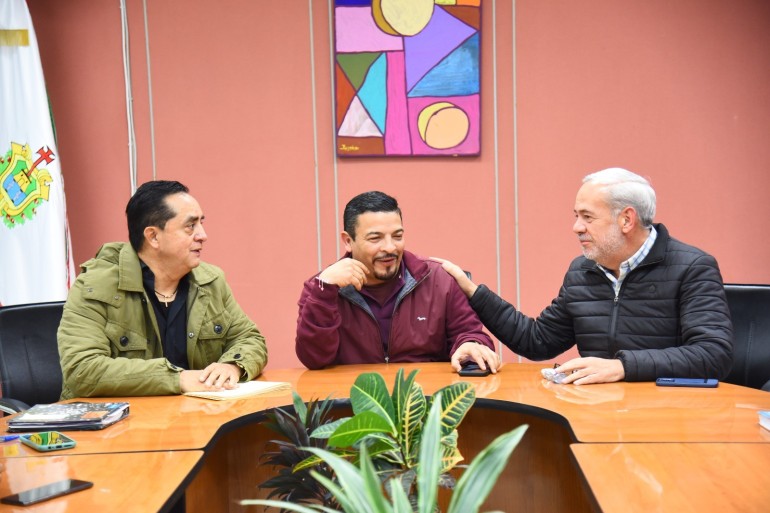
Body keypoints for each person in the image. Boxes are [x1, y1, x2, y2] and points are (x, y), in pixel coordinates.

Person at [434, 168, 733, 384]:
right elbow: (536, 341)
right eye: (576, 216)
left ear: (626, 219)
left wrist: (622, 367)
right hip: (597, 413)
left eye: (587, 217)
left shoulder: (693, 267)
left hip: (669, 417)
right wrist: (473, 292)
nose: (576, 227)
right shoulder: (582, 271)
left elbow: (713, 354)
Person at [58, 180, 268, 399]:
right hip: (120, 419)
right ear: (153, 236)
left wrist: (232, 366)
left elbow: (250, 339)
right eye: (190, 226)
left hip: (193, 414)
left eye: (201, 223)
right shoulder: (95, 286)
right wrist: (177, 379)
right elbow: (82, 370)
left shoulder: (210, 281)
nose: (203, 235)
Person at [295, 191, 500, 373]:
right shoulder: (320, 287)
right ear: (348, 241)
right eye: (375, 238)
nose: (390, 247)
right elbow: (314, 359)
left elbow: (470, 334)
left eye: (397, 236)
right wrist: (324, 291)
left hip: (427, 397)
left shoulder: (440, 279)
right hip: (355, 398)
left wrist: (471, 344)